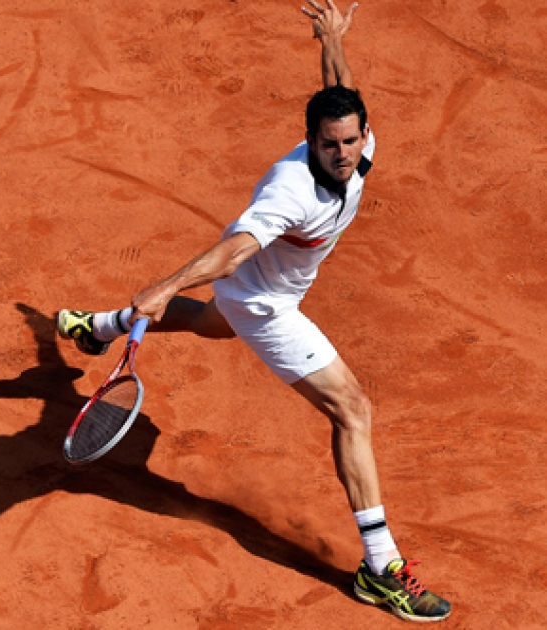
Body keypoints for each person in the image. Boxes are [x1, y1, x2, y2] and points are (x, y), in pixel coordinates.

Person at [56, 0, 451, 623]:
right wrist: (165, 283)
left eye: (350, 139)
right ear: (310, 142)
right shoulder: (289, 190)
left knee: (212, 323)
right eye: (329, 144)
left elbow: (339, 88)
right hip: (265, 303)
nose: (343, 153)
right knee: (352, 409)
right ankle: (381, 569)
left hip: (272, 292)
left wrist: (330, 38)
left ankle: (102, 326)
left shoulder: (357, 139)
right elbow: (235, 251)